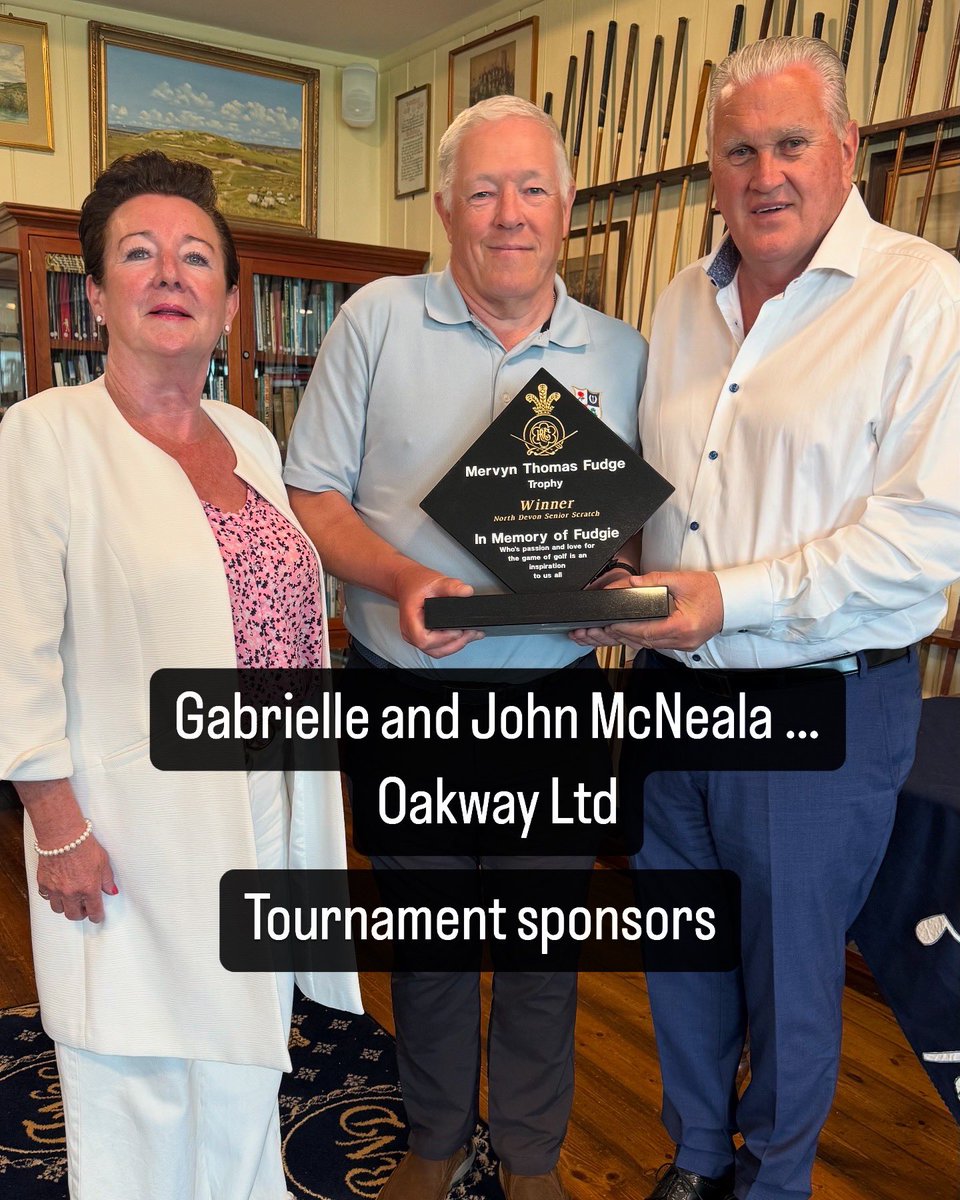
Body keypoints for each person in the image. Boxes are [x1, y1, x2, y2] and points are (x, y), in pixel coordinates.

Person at [574, 35, 960, 1200]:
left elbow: (924, 536)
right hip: (673, 701)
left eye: (791, 142)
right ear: (712, 168)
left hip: (821, 706)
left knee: (794, 975)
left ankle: (772, 1181)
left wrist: (725, 597)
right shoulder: (681, 302)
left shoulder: (922, 295)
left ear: (844, 150)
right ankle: (695, 1160)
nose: (765, 172)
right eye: (738, 150)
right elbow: (668, 493)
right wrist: (614, 555)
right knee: (684, 948)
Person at [285, 95, 647, 1200]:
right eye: (483, 190)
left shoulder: (623, 354)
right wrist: (398, 577)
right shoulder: (376, 321)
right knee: (428, 934)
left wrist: (622, 591)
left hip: (555, 698)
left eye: (531, 188)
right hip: (406, 692)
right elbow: (311, 493)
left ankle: (531, 1158)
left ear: (566, 205)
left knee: (543, 945)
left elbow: (638, 532)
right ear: (445, 204)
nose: (508, 214)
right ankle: (437, 1139)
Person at [0, 150, 361, 1200]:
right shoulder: (43, 438)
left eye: (196, 258)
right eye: (141, 254)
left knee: (244, 1061)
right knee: (141, 1085)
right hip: (127, 827)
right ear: (100, 290)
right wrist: (54, 824)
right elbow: (12, 649)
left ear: (232, 302)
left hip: (260, 807)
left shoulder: (248, 437)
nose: (171, 275)